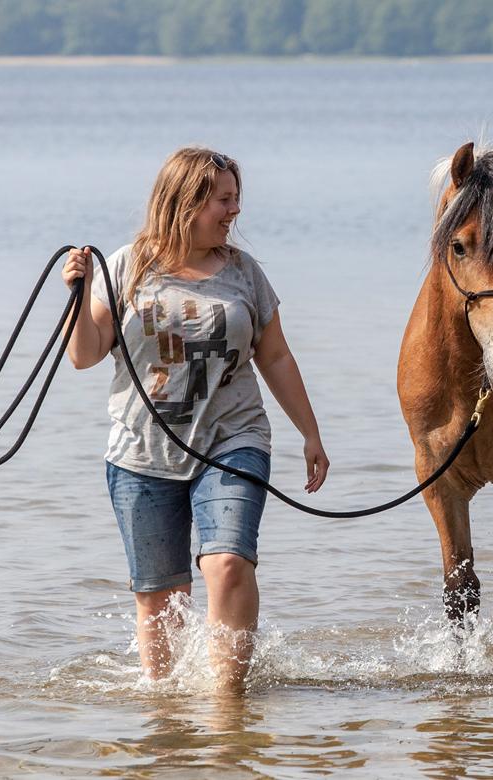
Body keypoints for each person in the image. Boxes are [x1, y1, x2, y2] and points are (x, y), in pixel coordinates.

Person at [61, 146, 329, 691]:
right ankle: (164, 715)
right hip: (141, 451)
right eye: (224, 200)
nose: (234, 212)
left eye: (236, 199)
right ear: (186, 202)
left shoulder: (244, 273)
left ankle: (228, 705)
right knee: (160, 597)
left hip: (234, 439)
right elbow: (85, 355)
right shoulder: (126, 266)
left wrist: (310, 432)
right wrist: (77, 295)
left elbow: (274, 356)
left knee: (228, 563)